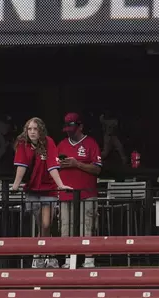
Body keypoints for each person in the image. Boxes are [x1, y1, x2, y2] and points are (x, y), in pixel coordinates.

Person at [12, 117, 73, 269]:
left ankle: (45, 255)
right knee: (41, 226)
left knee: (46, 224)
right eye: (29, 129)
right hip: (32, 189)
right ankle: (44, 256)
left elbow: (52, 165)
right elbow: (21, 166)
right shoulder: (23, 144)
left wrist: (60, 185)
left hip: (49, 188)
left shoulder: (48, 142)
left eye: (35, 129)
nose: (32, 132)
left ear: (41, 130)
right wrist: (15, 186)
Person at [57, 113, 102, 268]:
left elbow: (97, 169)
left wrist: (77, 164)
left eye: (73, 128)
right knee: (66, 226)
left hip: (87, 192)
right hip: (66, 193)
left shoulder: (91, 143)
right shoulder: (62, 144)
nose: (70, 131)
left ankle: (89, 260)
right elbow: (53, 167)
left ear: (80, 127)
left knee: (87, 225)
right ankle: (70, 259)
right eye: (68, 128)